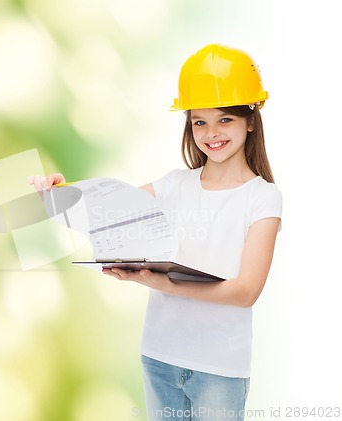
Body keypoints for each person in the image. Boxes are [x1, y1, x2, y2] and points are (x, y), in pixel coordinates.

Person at [28, 44, 282, 420]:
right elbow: (107, 210)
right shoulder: (174, 185)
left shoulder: (262, 197)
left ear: (250, 119)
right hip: (160, 356)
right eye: (199, 121)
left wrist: (164, 285)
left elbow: (246, 292)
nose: (211, 133)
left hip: (219, 368)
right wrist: (59, 193)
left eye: (224, 119)